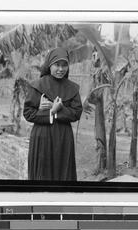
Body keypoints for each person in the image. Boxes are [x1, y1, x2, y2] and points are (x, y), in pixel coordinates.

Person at [23, 47, 83, 181]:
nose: (61, 69)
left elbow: (76, 113)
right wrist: (51, 111)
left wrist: (58, 110)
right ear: (49, 65)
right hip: (42, 135)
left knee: (63, 172)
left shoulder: (73, 88)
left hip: (63, 137)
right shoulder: (37, 85)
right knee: (42, 174)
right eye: (57, 65)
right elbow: (28, 113)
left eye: (64, 65)